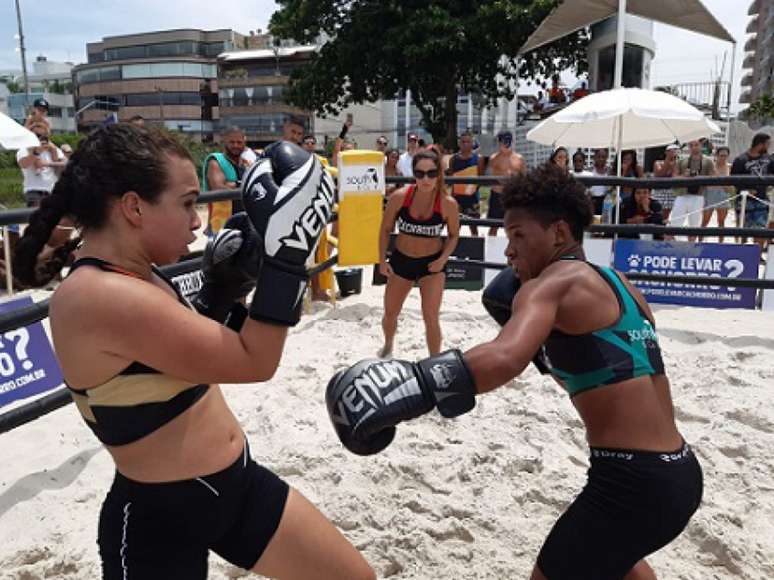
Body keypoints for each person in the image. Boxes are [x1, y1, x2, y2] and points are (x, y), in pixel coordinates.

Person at [11, 124, 373, 580]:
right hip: (161, 521)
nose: (197, 220)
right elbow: (254, 360)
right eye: (186, 203)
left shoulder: (139, 274)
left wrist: (221, 295)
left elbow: (173, 355)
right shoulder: (98, 294)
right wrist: (287, 255)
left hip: (237, 485)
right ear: (133, 207)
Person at [326, 165, 703, 580]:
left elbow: (505, 358)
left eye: (519, 235)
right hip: (679, 471)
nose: (509, 250)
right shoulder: (622, 285)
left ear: (558, 234)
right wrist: (549, 351)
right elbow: (612, 373)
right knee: (617, 557)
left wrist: (412, 384)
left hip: (629, 482)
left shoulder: (550, 285)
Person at [378, 149, 460, 358]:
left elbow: (453, 235)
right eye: (420, 173)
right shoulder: (399, 197)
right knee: (390, 313)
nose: (425, 179)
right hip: (402, 259)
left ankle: (435, 360)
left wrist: (442, 259)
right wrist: (381, 260)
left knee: (431, 316)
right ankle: (388, 344)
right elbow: (385, 229)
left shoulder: (448, 204)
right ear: (413, 173)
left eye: (431, 173)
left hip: (431, 264)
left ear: (439, 174)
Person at [731, 133, 774, 251]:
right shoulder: (741, 160)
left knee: (760, 231)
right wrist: (745, 189)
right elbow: (733, 179)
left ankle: (756, 257)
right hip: (744, 200)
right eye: (767, 144)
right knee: (742, 230)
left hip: (761, 199)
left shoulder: (768, 159)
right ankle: (741, 254)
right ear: (760, 144)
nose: (769, 146)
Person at [203, 126, 249, 236]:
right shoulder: (216, 161)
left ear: (244, 142)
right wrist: (241, 184)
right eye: (232, 142)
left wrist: (231, 184)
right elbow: (218, 189)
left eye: (239, 142)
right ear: (224, 141)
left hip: (244, 224)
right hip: (221, 228)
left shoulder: (246, 164)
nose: (235, 145)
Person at [670, 140, 714, 241]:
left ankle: (691, 248)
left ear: (701, 146)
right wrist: (684, 176)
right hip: (682, 194)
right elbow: (674, 177)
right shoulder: (682, 161)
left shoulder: (708, 162)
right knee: (675, 223)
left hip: (698, 195)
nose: (694, 147)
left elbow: (713, 178)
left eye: (696, 145)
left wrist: (700, 178)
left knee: (694, 225)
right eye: (691, 145)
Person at [485, 131, 525, 236]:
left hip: (513, 195)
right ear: (499, 142)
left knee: (515, 225)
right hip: (497, 194)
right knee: (493, 226)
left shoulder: (519, 158)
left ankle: (515, 249)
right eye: (503, 141)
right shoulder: (494, 158)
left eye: (508, 141)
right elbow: (490, 175)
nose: (506, 144)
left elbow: (523, 177)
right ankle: (491, 249)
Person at [448, 131, 485, 236]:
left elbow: (481, 179)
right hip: (457, 199)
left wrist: (470, 188)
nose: (465, 144)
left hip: (472, 198)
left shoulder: (478, 159)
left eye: (468, 142)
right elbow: (451, 179)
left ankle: (475, 250)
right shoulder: (453, 159)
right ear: (459, 143)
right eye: (463, 142)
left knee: (474, 228)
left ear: (472, 143)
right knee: (454, 228)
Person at [702, 146, 732, 242]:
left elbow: (729, 187)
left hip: (723, 194)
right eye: (721, 155)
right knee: (705, 221)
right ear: (717, 155)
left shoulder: (729, 167)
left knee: (721, 221)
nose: (723, 158)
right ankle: (699, 242)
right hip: (710, 193)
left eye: (725, 156)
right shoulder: (710, 166)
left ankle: (721, 244)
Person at [652, 144, 680, 224]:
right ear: (665, 152)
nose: (673, 152)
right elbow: (660, 174)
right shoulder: (658, 163)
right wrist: (668, 159)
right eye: (670, 150)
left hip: (670, 191)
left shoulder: (677, 164)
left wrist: (674, 163)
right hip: (659, 191)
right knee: (657, 213)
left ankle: (663, 232)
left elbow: (674, 177)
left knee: (666, 216)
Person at [588, 148, 611, 216]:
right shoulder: (589, 170)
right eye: (599, 156)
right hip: (591, 200)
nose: (601, 159)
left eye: (603, 157)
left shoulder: (610, 171)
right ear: (595, 157)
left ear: (606, 158)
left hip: (606, 201)